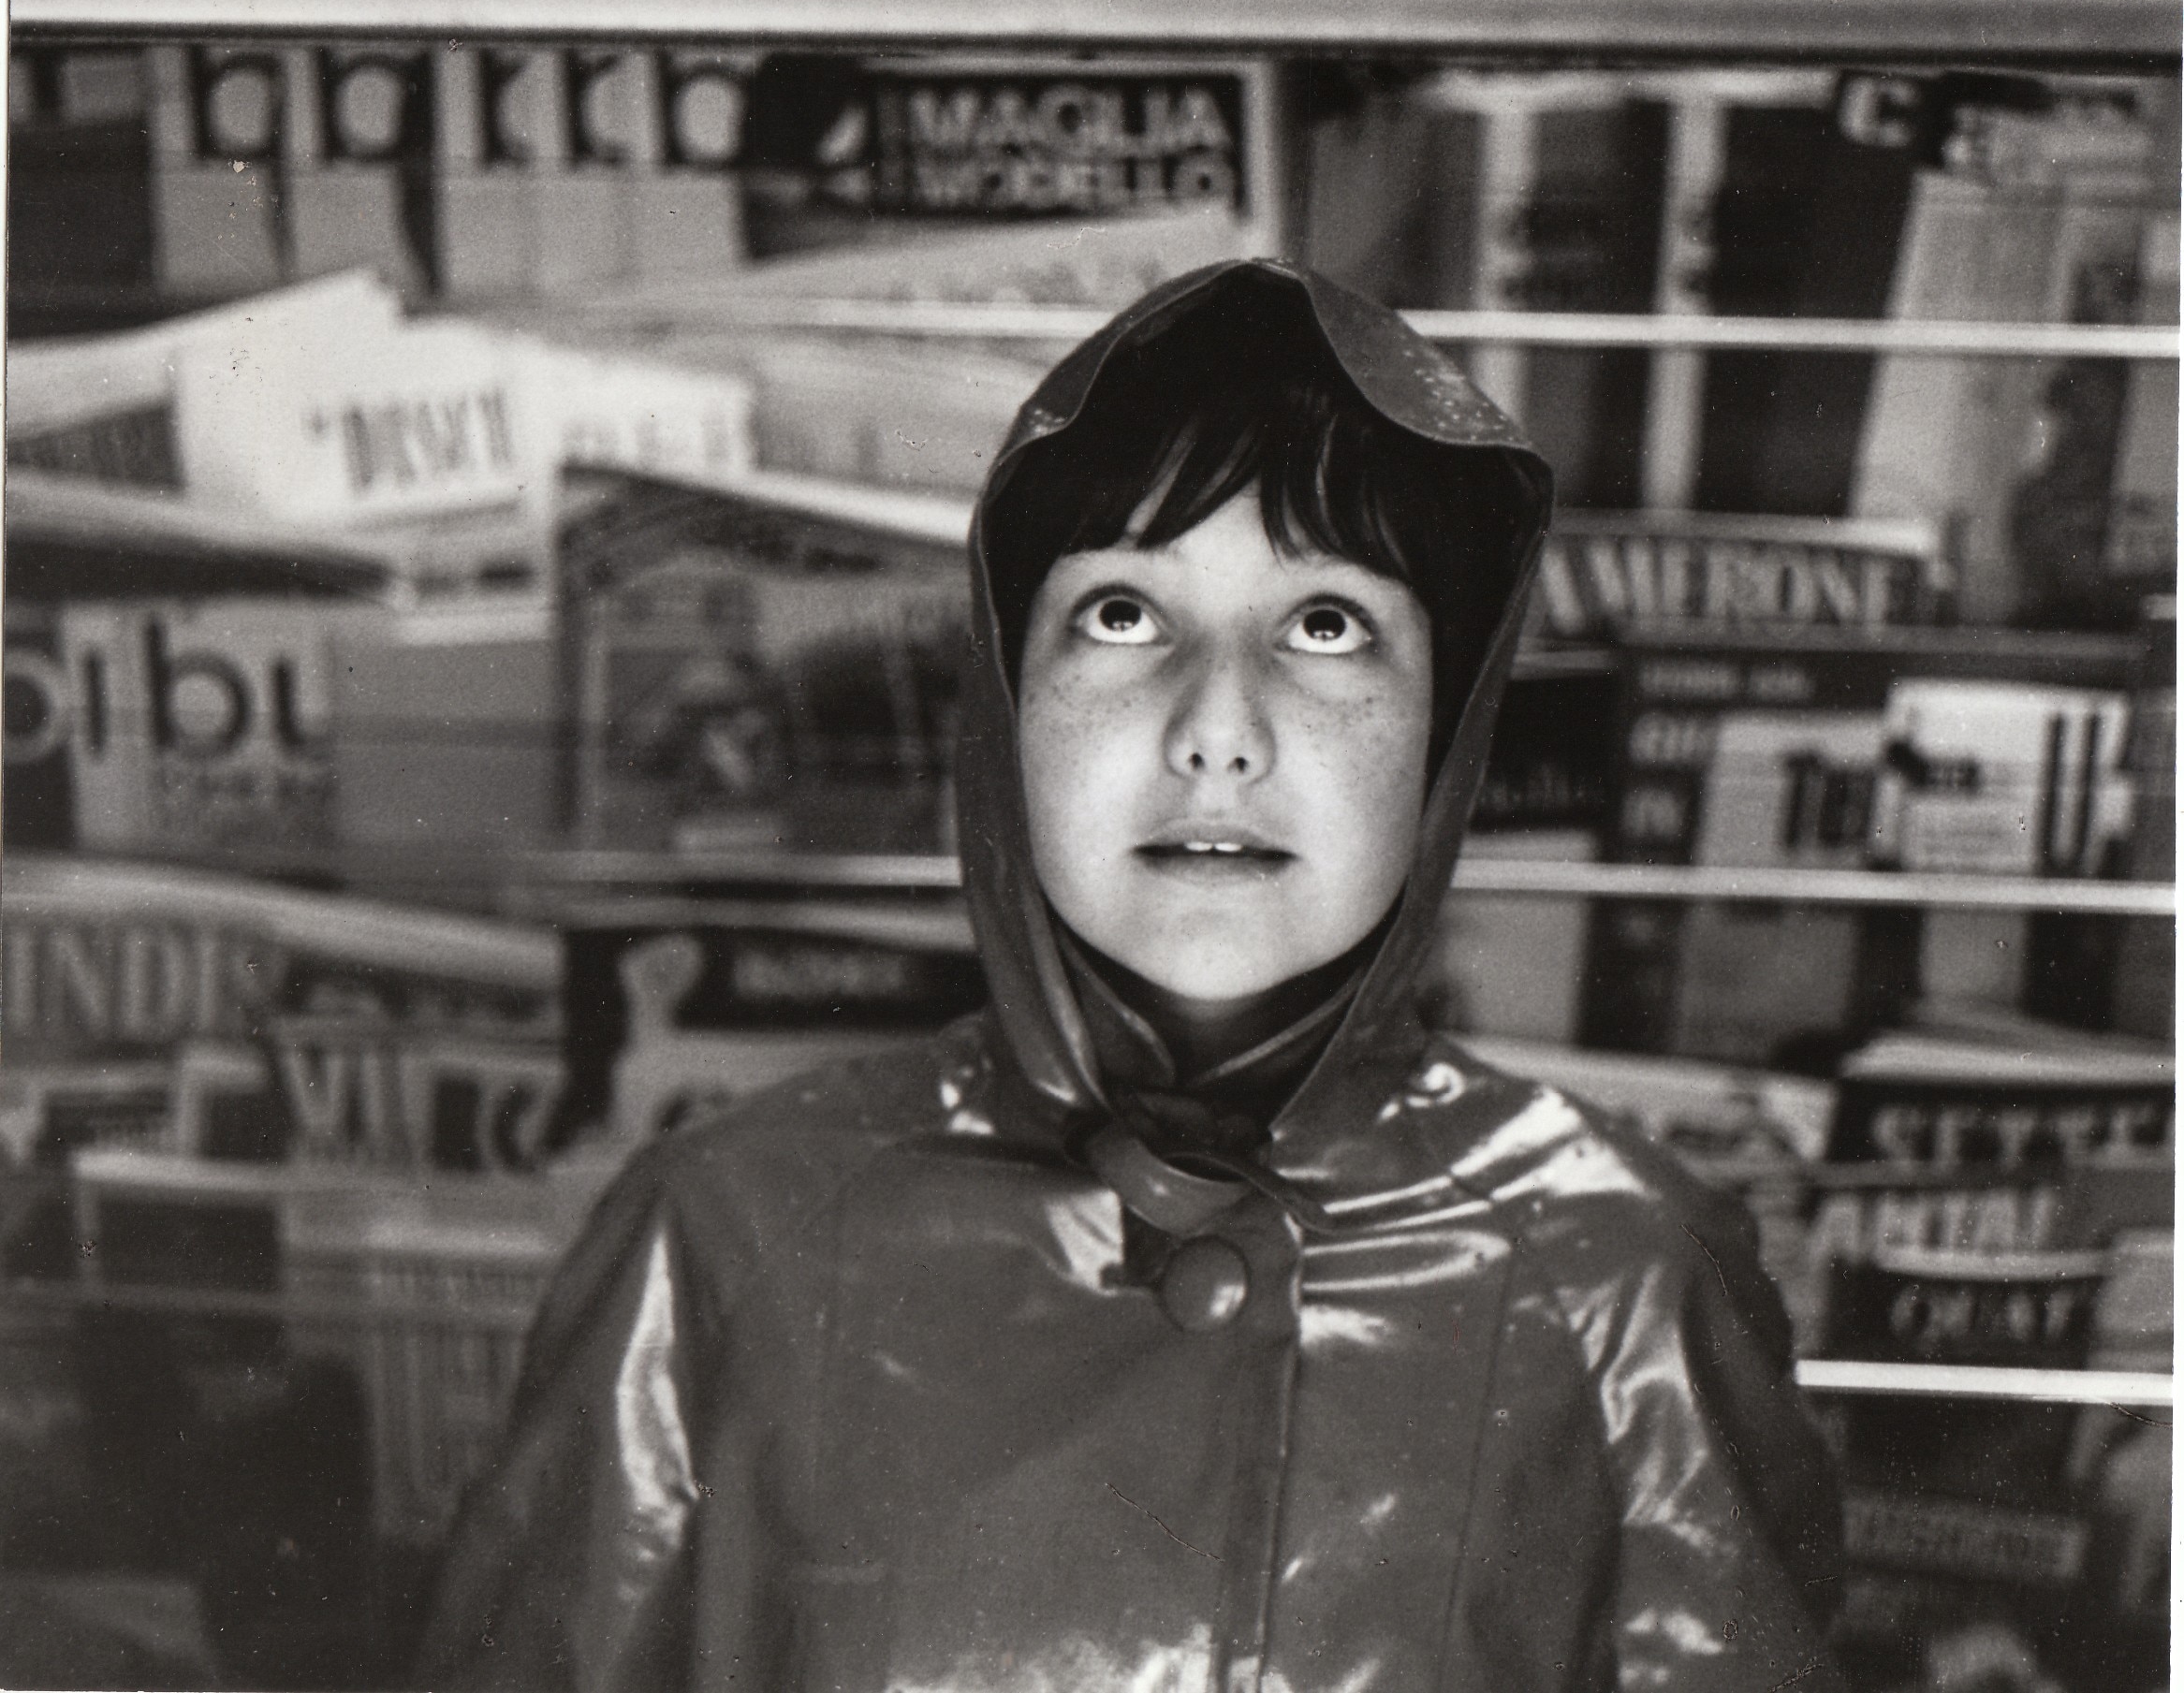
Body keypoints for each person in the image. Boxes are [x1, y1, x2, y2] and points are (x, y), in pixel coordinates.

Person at [418, 260, 1845, 1692]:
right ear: (1002, 696)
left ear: (1445, 728)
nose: (1218, 728)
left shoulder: (1621, 1278)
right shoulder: (720, 1242)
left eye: (1327, 623)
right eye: (1118, 614)